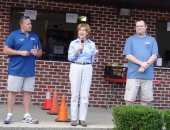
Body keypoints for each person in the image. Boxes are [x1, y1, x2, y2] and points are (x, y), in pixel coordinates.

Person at [3, 16, 42, 124]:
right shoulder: (14, 35)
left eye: (31, 23)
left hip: (29, 70)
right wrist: (20, 52)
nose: (30, 25)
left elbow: (40, 52)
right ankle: (9, 115)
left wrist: (36, 53)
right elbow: (5, 50)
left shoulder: (35, 36)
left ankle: (26, 116)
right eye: (28, 24)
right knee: (13, 91)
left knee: (28, 92)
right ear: (22, 25)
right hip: (15, 69)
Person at [68, 23, 99, 127]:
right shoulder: (73, 43)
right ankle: (73, 118)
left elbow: (93, 60)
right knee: (75, 94)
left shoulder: (92, 44)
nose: (81, 32)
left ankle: (82, 119)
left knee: (85, 94)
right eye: (79, 30)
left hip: (87, 67)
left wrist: (96, 56)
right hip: (76, 66)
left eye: (83, 30)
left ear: (87, 32)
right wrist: (77, 50)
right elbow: (70, 58)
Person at [123, 20, 158, 106]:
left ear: (146, 27)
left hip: (147, 75)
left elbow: (154, 55)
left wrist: (144, 66)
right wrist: (141, 63)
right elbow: (128, 55)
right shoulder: (130, 40)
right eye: (137, 26)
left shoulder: (152, 40)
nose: (139, 28)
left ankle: (142, 119)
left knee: (145, 100)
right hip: (133, 74)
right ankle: (128, 119)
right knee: (129, 99)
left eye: (141, 26)